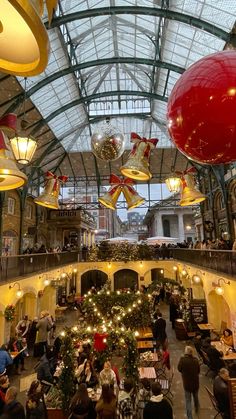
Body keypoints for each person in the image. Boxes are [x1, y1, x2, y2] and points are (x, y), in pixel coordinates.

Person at [177, 346, 200, 419]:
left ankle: (190, 417)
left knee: (188, 401)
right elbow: (198, 371)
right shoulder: (196, 360)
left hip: (187, 384)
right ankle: (197, 408)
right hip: (195, 383)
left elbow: (179, 369)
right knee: (195, 397)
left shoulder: (182, 360)